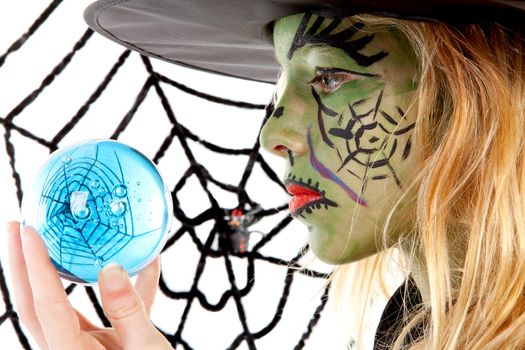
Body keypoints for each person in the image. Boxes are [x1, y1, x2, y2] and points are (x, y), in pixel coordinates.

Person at [7, 0, 525, 349]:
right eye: (279, 87)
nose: (272, 133)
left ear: (478, 94)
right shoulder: (415, 324)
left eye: (330, 75)